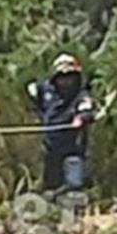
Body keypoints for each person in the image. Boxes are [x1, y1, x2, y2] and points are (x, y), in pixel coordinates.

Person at [27, 53, 95, 194]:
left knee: (74, 187)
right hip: (50, 150)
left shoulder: (81, 96)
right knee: (50, 188)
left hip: (72, 150)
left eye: (70, 76)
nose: (66, 81)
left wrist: (80, 119)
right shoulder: (47, 90)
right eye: (62, 77)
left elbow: (86, 110)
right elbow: (32, 90)